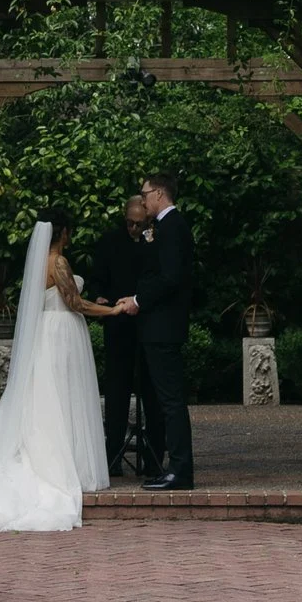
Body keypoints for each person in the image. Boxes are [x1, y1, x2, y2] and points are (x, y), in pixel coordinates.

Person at [0, 218, 105, 532]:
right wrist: (112, 310)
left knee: (49, 396)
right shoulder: (57, 261)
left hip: (48, 332)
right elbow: (73, 302)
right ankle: (64, 466)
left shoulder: (40, 263)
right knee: (62, 395)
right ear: (64, 232)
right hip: (61, 332)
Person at [114, 173, 196, 487]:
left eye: (145, 193)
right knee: (166, 401)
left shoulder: (173, 227)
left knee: (171, 401)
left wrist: (138, 299)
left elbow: (171, 277)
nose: (143, 199)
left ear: (159, 194)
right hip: (158, 326)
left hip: (164, 327)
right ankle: (174, 467)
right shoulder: (162, 228)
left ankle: (181, 470)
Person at [81, 196, 151, 480]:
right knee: (116, 391)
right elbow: (96, 277)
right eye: (130, 223)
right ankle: (113, 456)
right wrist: (100, 297)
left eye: (140, 224)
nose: (134, 229)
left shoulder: (153, 241)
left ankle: (152, 457)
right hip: (117, 324)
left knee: (149, 389)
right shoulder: (109, 242)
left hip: (146, 323)